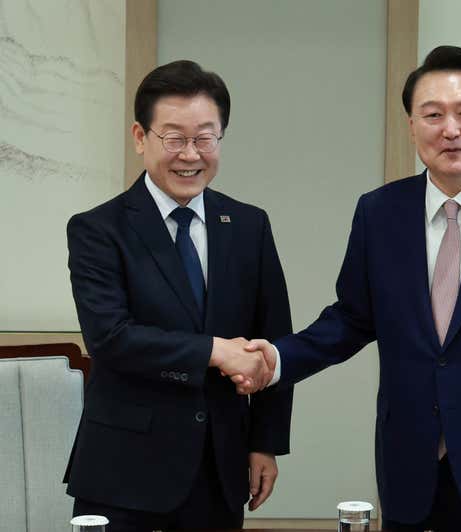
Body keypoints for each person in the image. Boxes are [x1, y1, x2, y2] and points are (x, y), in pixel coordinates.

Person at [230, 46, 461, 531]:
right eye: (432, 115)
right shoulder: (379, 212)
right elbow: (351, 319)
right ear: (412, 125)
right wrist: (277, 360)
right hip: (413, 462)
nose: (450, 129)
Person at [64, 60, 293, 531]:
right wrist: (214, 351)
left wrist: (264, 441)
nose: (191, 154)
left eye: (205, 138)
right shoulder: (97, 229)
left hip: (221, 467)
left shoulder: (249, 226)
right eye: (174, 138)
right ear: (140, 137)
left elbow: (274, 339)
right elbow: (111, 337)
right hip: (125, 472)